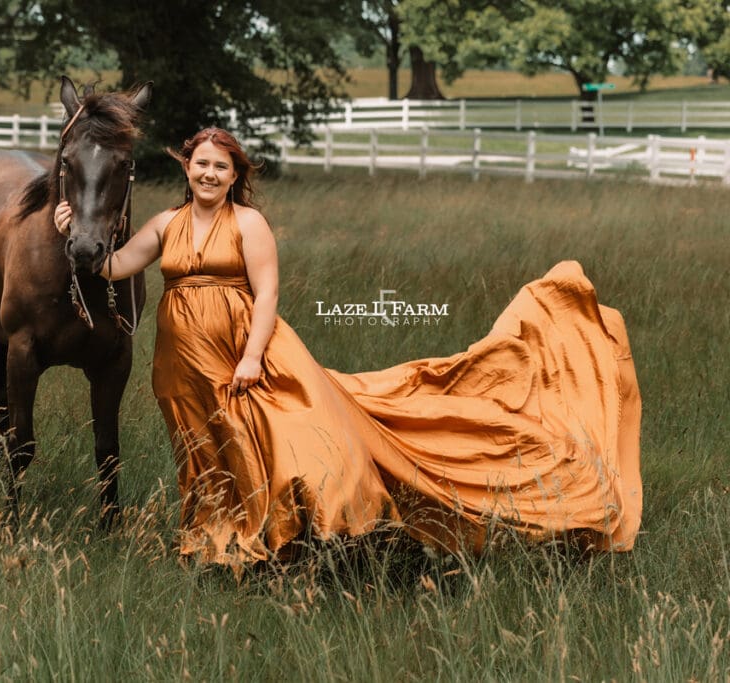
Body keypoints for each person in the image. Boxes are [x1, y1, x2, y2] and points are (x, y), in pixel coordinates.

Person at [54, 127, 642, 567]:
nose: (209, 174)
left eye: (221, 167)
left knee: (285, 436)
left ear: (235, 174)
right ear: (188, 168)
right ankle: (216, 539)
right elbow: (114, 268)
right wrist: (71, 231)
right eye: (201, 164)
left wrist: (254, 355)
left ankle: (282, 535)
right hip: (180, 360)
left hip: (244, 348)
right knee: (201, 444)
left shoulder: (249, 225)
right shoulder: (164, 223)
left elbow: (267, 293)